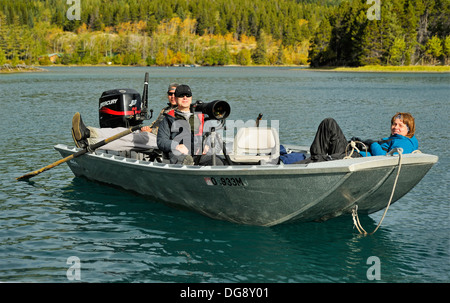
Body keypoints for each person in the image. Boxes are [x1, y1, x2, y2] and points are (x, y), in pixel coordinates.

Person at [72, 83, 179, 151]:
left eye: (175, 94)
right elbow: (155, 124)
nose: (172, 96)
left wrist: (152, 130)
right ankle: (88, 132)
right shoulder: (166, 109)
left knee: (127, 139)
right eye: (170, 94)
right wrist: (146, 128)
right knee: (123, 131)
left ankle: (88, 143)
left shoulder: (181, 112)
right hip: (151, 135)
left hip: (161, 140)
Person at [300, 112, 418, 163]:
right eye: (394, 124)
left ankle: (313, 161)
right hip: (353, 152)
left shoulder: (405, 143)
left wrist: (372, 144)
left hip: (356, 158)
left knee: (330, 123)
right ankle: (316, 158)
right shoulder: (396, 138)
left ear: (409, 129)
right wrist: (360, 143)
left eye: (400, 125)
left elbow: (385, 159)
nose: (395, 127)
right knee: (328, 124)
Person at [157, 84, 224, 165]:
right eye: (181, 96)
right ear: (176, 98)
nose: (185, 98)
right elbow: (161, 141)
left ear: (191, 98)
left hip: (198, 154)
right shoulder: (168, 118)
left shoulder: (201, 116)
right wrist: (176, 146)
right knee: (185, 161)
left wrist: (206, 146)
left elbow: (211, 135)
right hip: (179, 154)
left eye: (188, 95)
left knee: (218, 162)